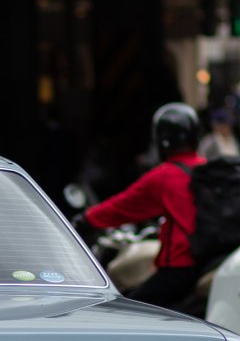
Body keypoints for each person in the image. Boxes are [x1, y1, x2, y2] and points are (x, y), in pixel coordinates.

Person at [79, 102, 204, 309]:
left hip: (180, 266)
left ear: (162, 141)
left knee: (131, 311)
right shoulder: (207, 167)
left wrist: (86, 219)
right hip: (207, 260)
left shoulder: (165, 175)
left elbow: (122, 206)